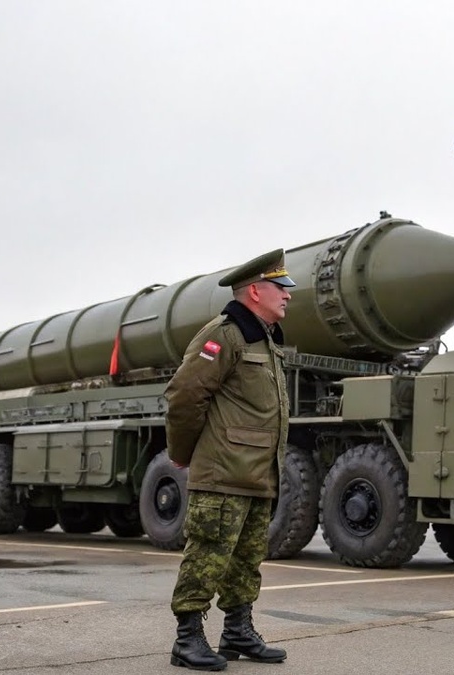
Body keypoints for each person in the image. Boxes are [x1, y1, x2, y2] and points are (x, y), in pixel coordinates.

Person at [163, 248, 294, 671]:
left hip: (258, 474)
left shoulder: (264, 339)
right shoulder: (223, 334)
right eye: (280, 287)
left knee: (246, 560)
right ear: (254, 291)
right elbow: (185, 396)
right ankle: (187, 639)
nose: (288, 295)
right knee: (207, 555)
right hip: (223, 473)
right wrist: (182, 453)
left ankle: (237, 631)